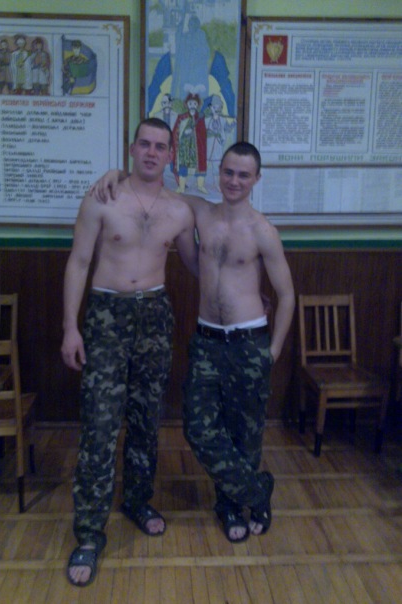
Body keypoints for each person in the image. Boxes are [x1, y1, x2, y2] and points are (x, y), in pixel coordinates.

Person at [93, 141, 295, 544]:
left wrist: (272, 351)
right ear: (219, 173)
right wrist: (118, 174)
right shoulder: (200, 211)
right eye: (228, 172)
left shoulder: (263, 231)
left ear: (256, 179)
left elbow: (287, 295)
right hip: (207, 342)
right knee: (199, 429)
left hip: (249, 341)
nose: (234, 181)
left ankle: (230, 506)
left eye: (243, 175)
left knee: (244, 434)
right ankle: (257, 491)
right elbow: (153, 185)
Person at [61, 117, 197, 587]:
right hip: (106, 315)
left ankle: (137, 500)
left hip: (155, 315)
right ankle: (89, 532)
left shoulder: (179, 210)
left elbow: (199, 264)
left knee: (145, 419)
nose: (152, 152)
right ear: (132, 148)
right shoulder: (102, 197)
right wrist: (70, 328)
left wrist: (243, 287)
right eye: (145, 144)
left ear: (170, 154)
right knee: (100, 425)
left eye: (161, 146)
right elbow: (79, 262)